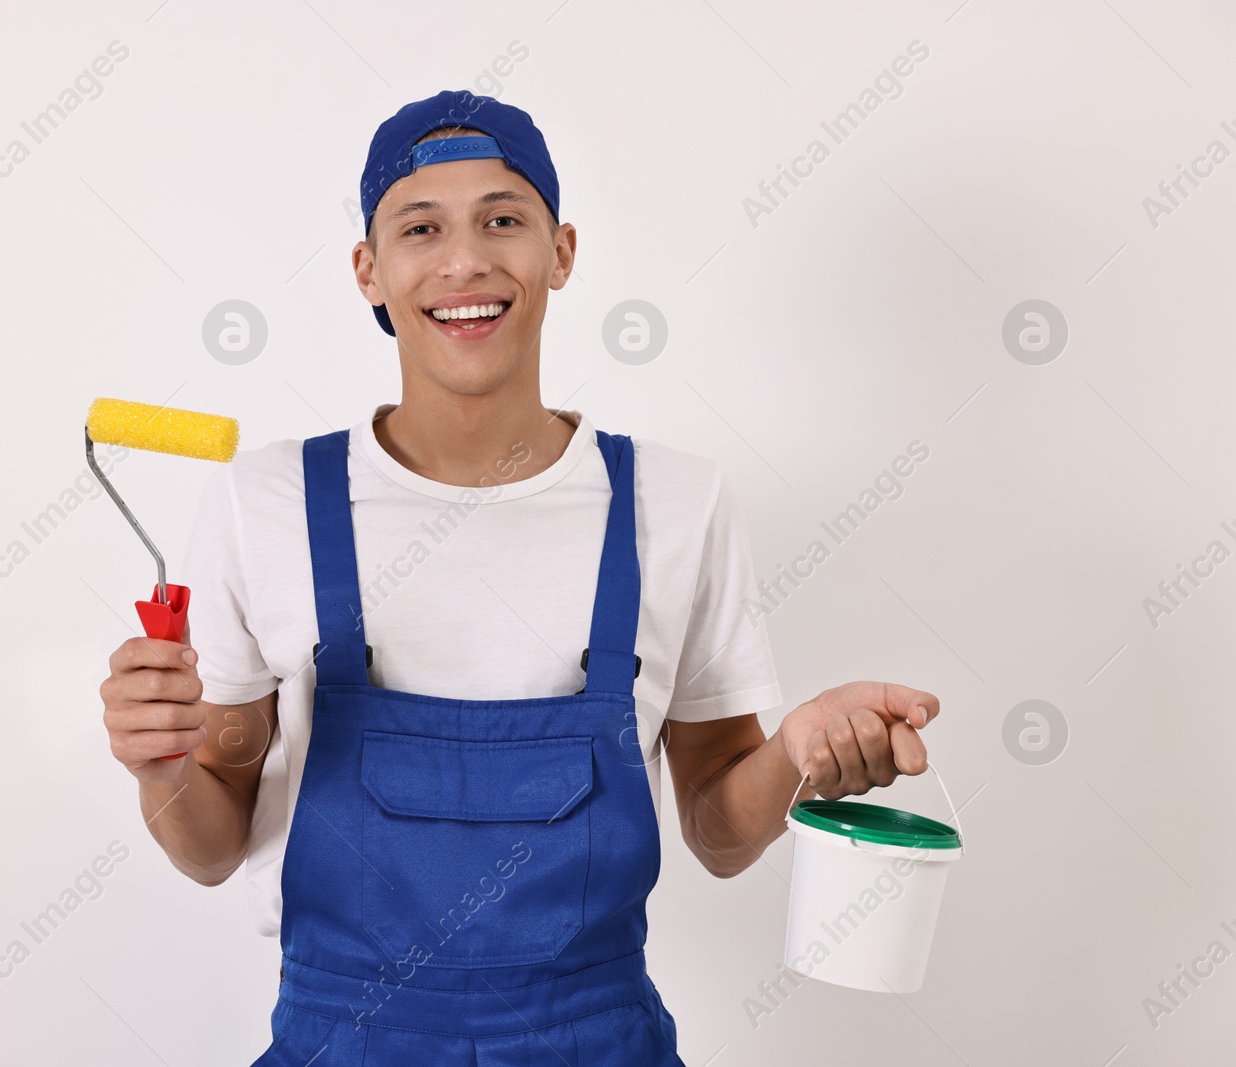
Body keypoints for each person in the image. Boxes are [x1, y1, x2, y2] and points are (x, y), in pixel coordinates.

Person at [99, 89, 941, 1066]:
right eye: (421, 227)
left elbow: (716, 825)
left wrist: (796, 746)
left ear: (561, 250)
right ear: (369, 270)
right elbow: (211, 841)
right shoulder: (266, 502)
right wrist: (160, 763)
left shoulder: (674, 503)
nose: (464, 261)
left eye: (503, 219)